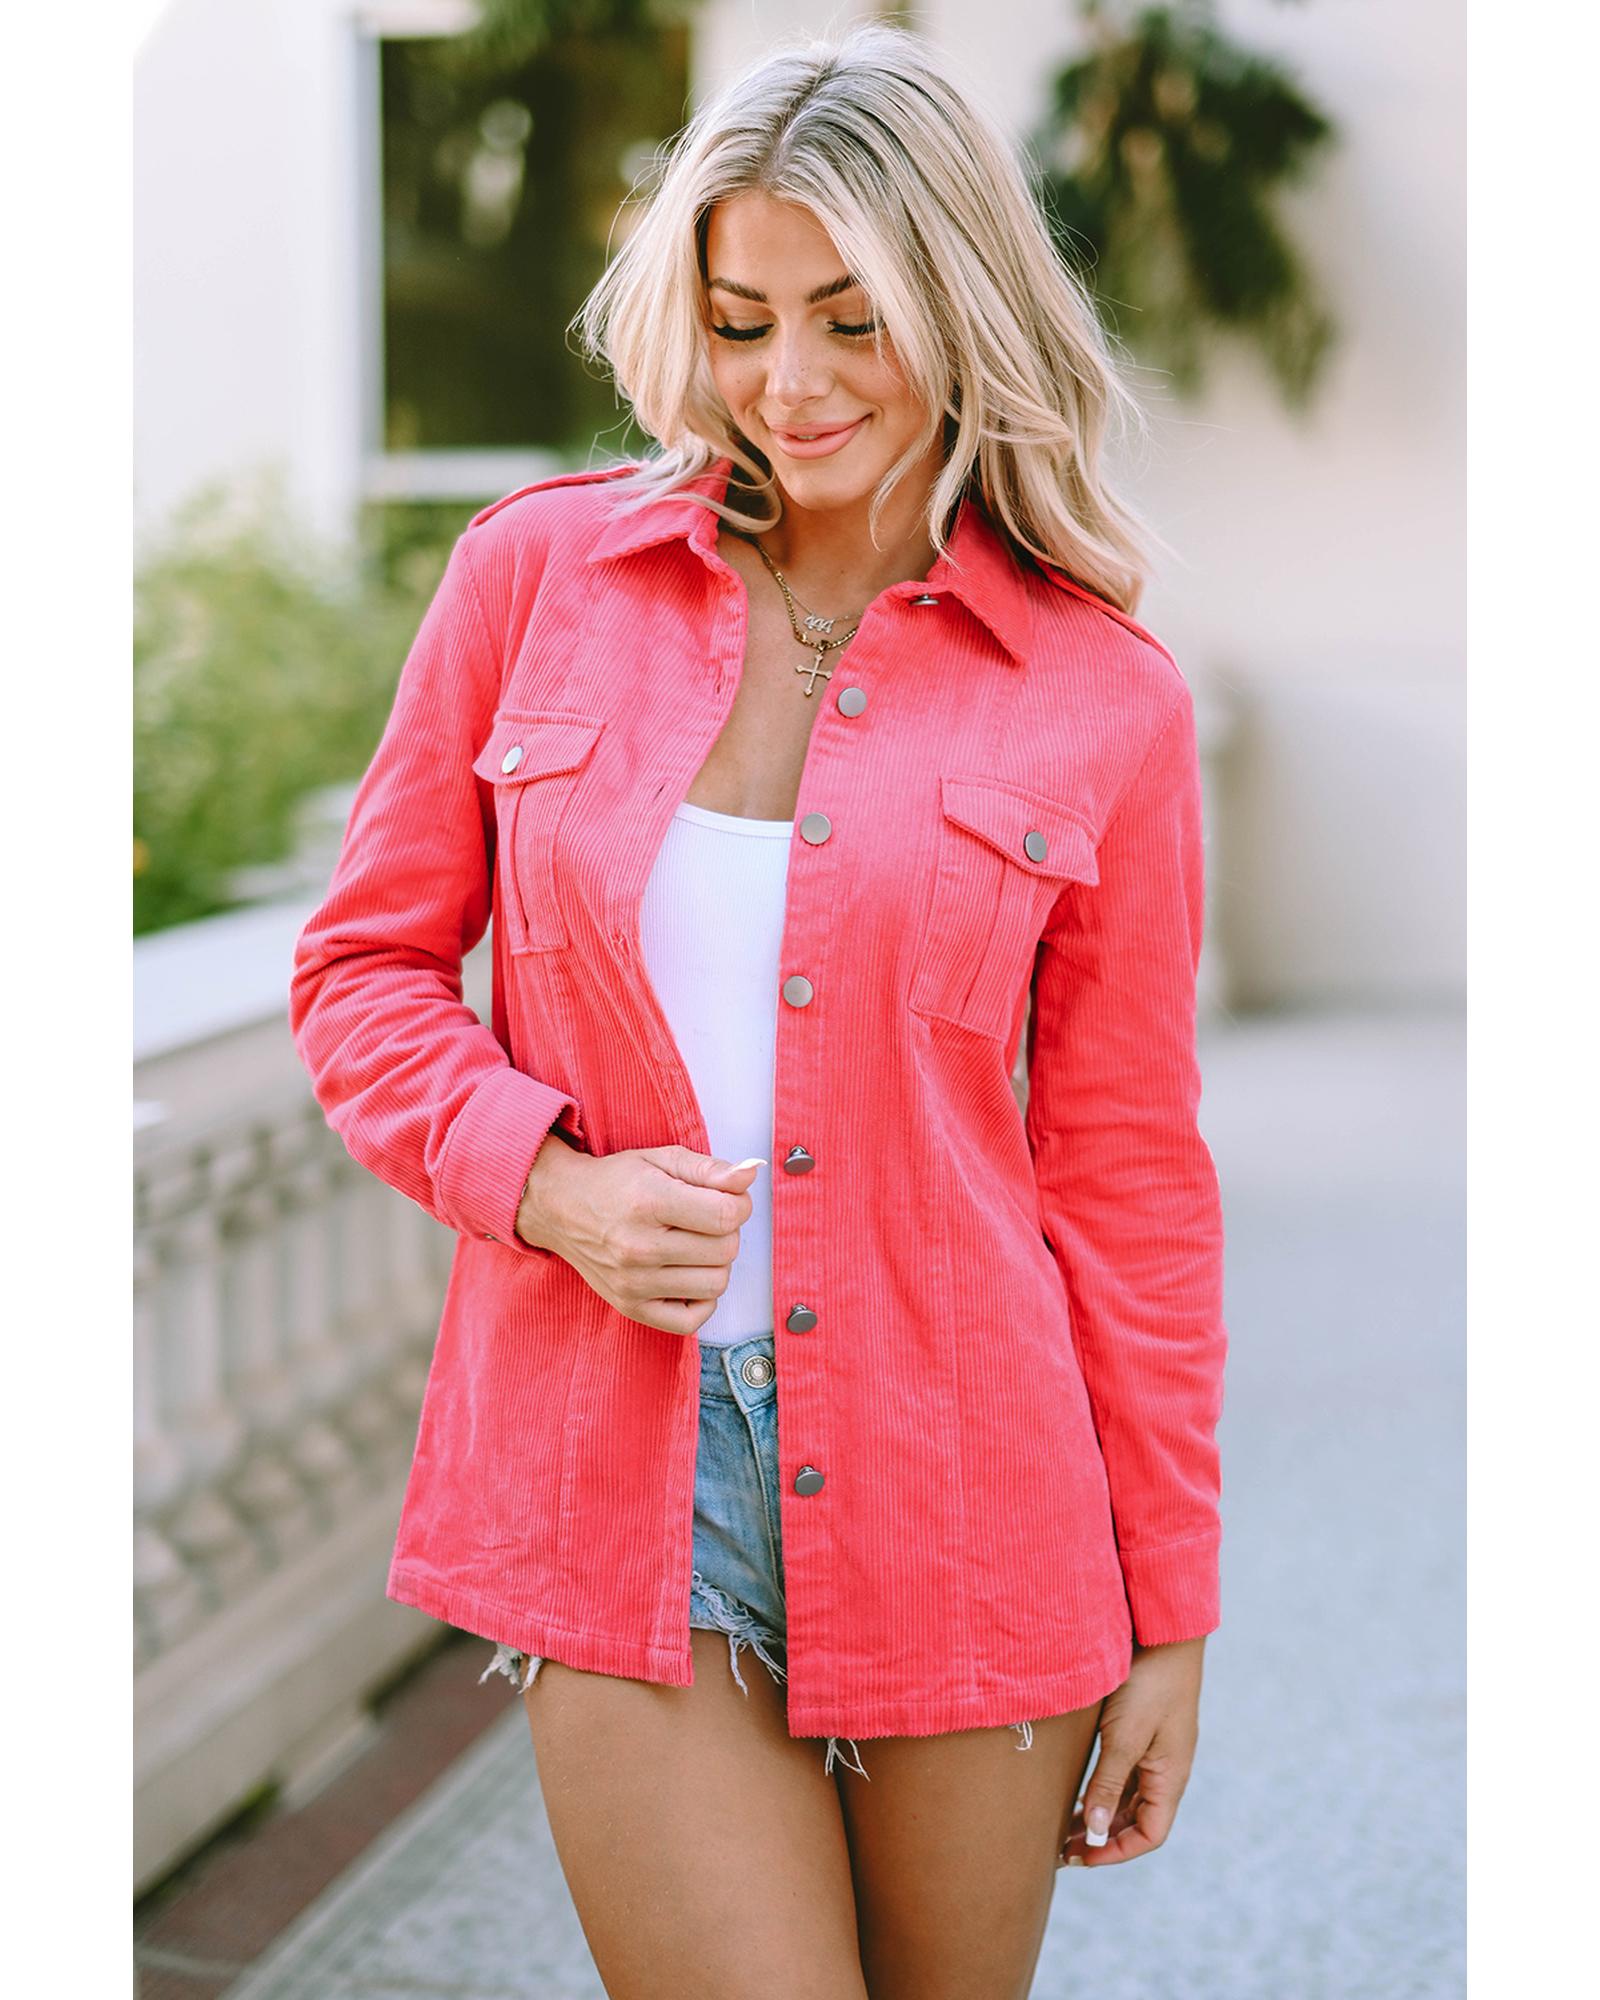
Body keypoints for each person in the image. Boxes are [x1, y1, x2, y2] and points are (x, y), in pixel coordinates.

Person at [289, 21, 1228, 1999]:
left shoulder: (1101, 694)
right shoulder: (536, 580)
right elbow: (359, 972)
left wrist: (1172, 1609)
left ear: (962, 307)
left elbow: (1126, 1171)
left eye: (850, 322)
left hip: (972, 1480)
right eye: (739, 321)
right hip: (614, 1478)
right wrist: (547, 1186)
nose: (786, 384)